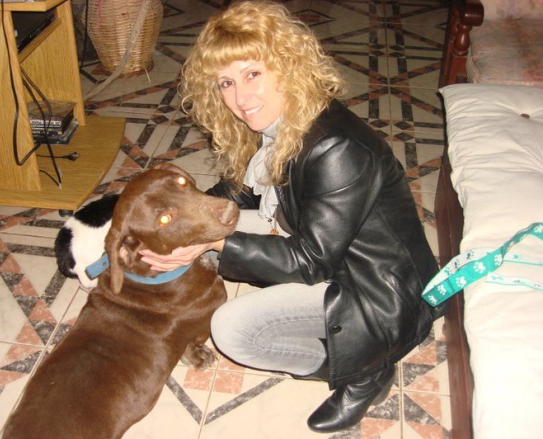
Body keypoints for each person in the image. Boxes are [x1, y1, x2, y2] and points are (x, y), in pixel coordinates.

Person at [140, 0, 448, 433]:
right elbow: (239, 194)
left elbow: (310, 261)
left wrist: (215, 241)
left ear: (287, 65)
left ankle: (365, 371)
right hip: (326, 249)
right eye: (226, 82)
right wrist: (182, 220)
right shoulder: (276, 121)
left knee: (233, 331)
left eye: (253, 74)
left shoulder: (336, 148)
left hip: (376, 289)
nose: (240, 99)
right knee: (206, 235)